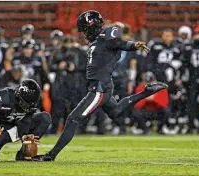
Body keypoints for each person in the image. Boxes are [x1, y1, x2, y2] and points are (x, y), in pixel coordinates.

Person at [33, 10, 167, 161]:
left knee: (72, 119)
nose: (83, 33)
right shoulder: (98, 40)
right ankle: (145, 92)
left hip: (99, 88)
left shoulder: (108, 35)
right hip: (101, 86)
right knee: (115, 111)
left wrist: (133, 45)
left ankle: (51, 156)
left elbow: (118, 42)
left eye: (84, 29)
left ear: (92, 26)